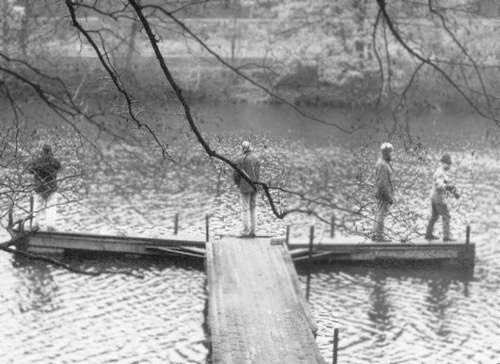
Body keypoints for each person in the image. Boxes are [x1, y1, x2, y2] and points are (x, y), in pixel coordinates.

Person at [425, 153, 460, 241]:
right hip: (438, 198)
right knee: (446, 216)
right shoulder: (440, 173)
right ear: (443, 163)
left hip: (434, 197)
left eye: (450, 164)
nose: (449, 165)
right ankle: (446, 236)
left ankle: (428, 234)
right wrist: (448, 187)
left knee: (434, 216)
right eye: (447, 163)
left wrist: (454, 192)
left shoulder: (442, 172)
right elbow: (439, 184)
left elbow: (446, 185)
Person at [28, 144, 61, 231]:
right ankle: (50, 226)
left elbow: (30, 170)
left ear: (42, 151)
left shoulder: (36, 161)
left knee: (37, 207)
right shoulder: (55, 161)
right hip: (51, 188)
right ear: (51, 151)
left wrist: (37, 166)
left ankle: (35, 225)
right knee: (51, 207)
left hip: (39, 188)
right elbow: (59, 167)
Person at [233, 141, 260, 237]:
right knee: (253, 208)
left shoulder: (240, 159)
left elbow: (236, 174)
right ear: (250, 147)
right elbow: (258, 174)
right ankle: (253, 231)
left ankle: (245, 230)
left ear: (242, 148)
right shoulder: (256, 158)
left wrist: (237, 184)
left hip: (244, 187)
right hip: (255, 186)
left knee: (245, 208)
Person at [372, 142, 394, 242]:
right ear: (386, 153)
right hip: (383, 194)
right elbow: (382, 183)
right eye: (391, 152)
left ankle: (375, 234)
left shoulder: (383, 163)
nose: (392, 154)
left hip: (381, 193)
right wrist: (388, 196)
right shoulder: (382, 165)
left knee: (379, 213)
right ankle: (379, 236)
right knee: (381, 214)